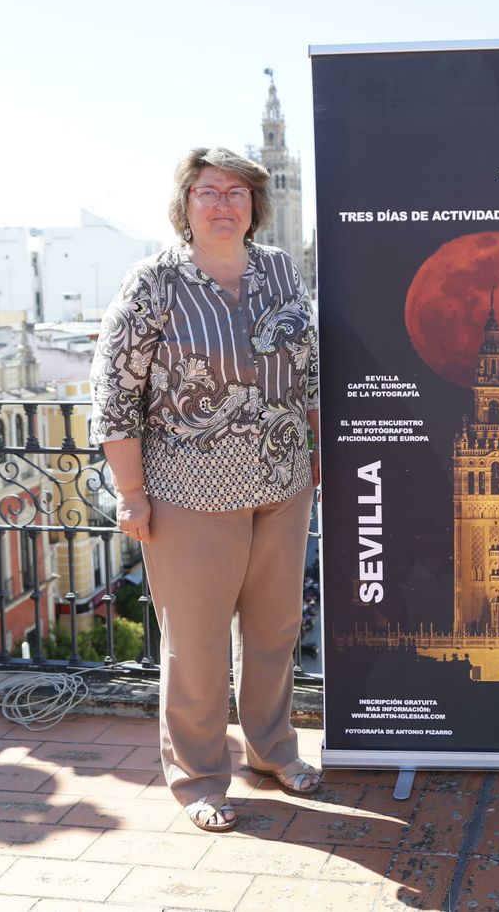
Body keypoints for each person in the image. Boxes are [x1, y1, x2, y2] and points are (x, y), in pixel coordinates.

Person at [90, 146, 321, 833]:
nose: (223, 203)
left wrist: (313, 444)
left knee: (276, 628)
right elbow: (114, 393)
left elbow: (308, 365)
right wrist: (130, 492)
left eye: (237, 192)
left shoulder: (280, 268)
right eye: (208, 191)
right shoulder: (154, 281)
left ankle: (273, 751)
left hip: (281, 480)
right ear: (185, 204)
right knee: (197, 644)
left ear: (256, 205)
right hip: (190, 493)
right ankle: (197, 777)